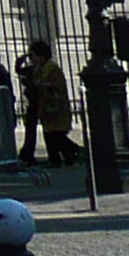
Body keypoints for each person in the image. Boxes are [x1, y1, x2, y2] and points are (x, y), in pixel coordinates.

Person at [20, 40, 80, 168]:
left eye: (33, 55)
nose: (31, 59)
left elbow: (54, 86)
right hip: (46, 106)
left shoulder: (52, 69)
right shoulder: (39, 69)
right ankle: (59, 158)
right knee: (50, 134)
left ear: (41, 55)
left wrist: (40, 85)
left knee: (55, 134)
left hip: (55, 106)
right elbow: (21, 71)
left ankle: (72, 153)